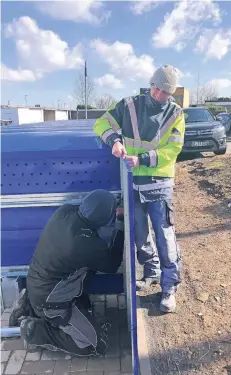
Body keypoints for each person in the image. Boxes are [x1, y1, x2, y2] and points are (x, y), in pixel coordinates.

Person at [94, 65, 185, 313]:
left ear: (172, 93)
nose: (159, 95)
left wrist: (142, 159)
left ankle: (169, 287)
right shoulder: (129, 105)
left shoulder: (176, 113)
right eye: (156, 88)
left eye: (165, 92)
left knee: (165, 236)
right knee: (139, 235)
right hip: (133, 185)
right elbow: (101, 123)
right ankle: (151, 272)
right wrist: (113, 141)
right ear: (150, 83)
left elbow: (173, 150)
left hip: (159, 186)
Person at [9, 189, 124, 356]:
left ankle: (28, 304)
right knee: (96, 345)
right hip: (51, 304)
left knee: (83, 291)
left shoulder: (64, 211)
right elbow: (112, 264)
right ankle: (35, 331)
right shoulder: (87, 245)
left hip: (36, 283)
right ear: (105, 219)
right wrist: (120, 224)